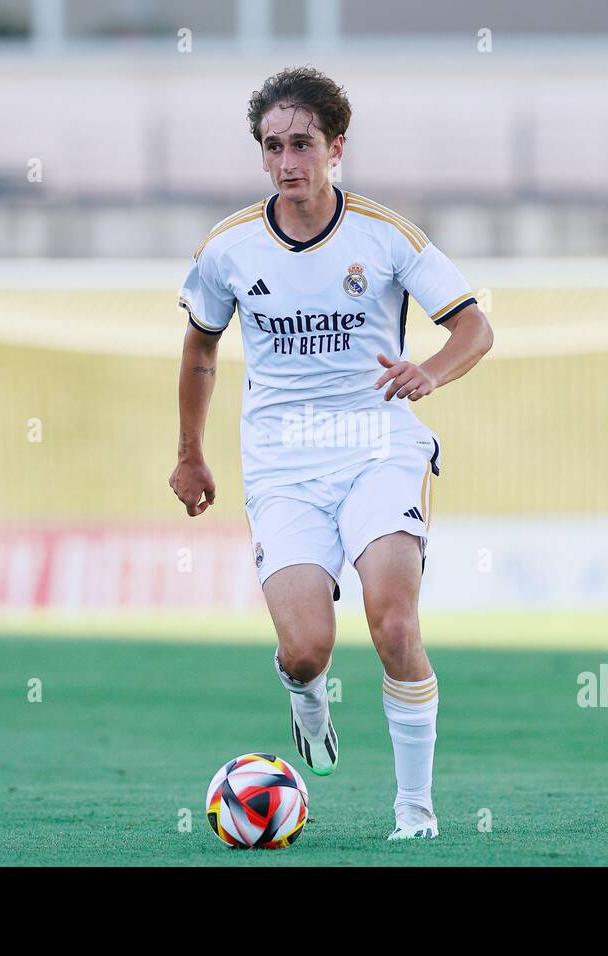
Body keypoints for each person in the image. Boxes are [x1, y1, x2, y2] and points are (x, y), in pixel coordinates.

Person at [169, 68, 493, 839]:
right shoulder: (228, 248)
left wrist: (430, 372)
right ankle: (304, 692)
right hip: (282, 463)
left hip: (378, 445)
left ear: (336, 146)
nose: (288, 162)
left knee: (393, 622)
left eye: (303, 144)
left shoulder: (386, 235)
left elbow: (474, 328)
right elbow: (200, 349)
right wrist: (190, 453)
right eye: (273, 147)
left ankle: (414, 810)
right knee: (308, 648)